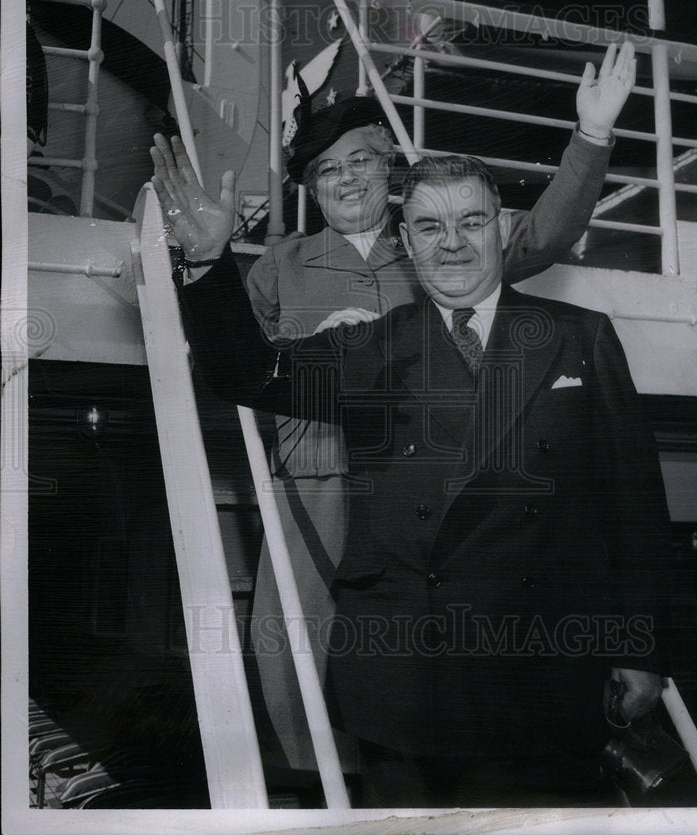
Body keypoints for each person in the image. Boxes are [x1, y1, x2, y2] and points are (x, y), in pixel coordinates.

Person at [150, 41, 638, 773]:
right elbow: (235, 364)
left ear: (394, 172)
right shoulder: (281, 264)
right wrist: (281, 326)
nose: (345, 178)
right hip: (316, 474)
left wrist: (590, 138)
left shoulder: (437, 243)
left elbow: (545, 231)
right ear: (310, 188)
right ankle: (329, 777)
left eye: (362, 160)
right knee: (303, 632)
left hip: (430, 477)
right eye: (326, 170)